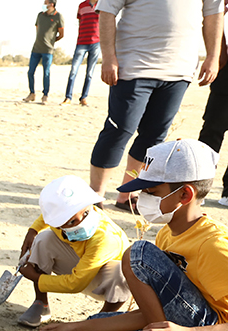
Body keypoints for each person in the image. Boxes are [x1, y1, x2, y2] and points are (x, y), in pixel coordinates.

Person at [42, 139, 228, 331]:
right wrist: (77, 327)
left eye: (151, 191)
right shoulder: (166, 235)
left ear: (184, 194)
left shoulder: (214, 246)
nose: (142, 198)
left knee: (138, 255)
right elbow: (153, 315)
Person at [89, 0, 222, 212]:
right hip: (132, 67)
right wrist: (108, 57)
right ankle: (95, 195)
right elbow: (106, 11)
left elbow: (213, 15)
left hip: (179, 70)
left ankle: (128, 194)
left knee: (154, 137)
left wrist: (213, 57)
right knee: (120, 129)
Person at [16, 175, 130, 328]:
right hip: (80, 266)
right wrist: (33, 230)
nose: (82, 221)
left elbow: (75, 283)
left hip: (102, 279)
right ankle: (41, 303)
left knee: (121, 272)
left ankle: (102, 319)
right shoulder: (57, 223)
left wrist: (36, 277)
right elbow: (48, 216)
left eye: (86, 212)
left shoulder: (105, 238)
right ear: (57, 223)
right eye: (70, 222)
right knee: (44, 239)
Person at [198, 6, 228, 207]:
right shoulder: (221, 7)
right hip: (225, 74)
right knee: (211, 132)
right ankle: (197, 186)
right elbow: (209, 24)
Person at [23, 0, 64, 104]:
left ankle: (45, 95)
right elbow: (38, 30)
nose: (44, 5)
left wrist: (51, 42)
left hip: (48, 50)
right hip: (36, 48)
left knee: (46, 73)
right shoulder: (40, 15)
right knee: (30, 72)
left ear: (52, 4)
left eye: (46, 3)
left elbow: (61, 34)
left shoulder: (58, 16)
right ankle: (31, 93)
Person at [62, 0, 100, 106]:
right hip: (82, 42)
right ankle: (68, 97)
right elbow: (80, 21)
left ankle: (83, 98)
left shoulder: (102, 5)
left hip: (96, 43)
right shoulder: (82, 6)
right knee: (73, 71)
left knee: (89, 73)